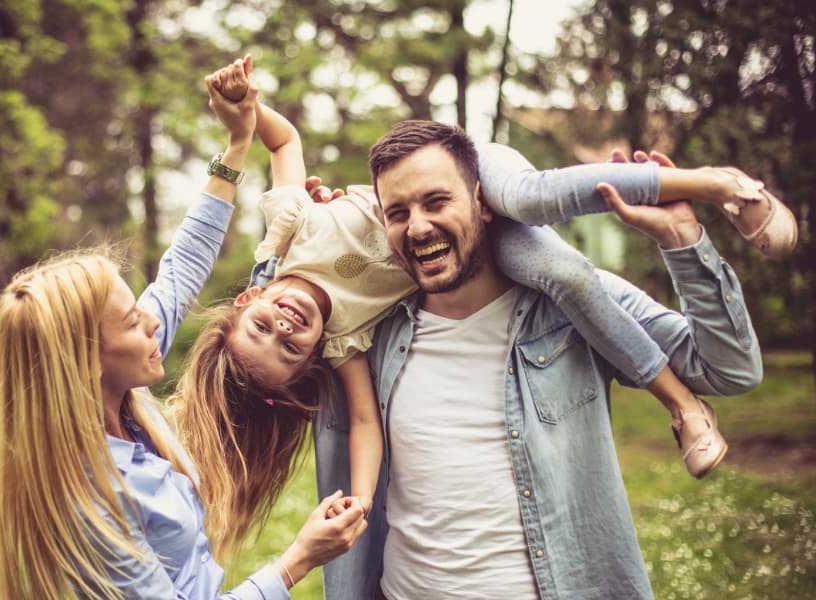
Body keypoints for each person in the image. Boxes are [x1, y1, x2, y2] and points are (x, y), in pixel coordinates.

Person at [178, 55, 792, 538]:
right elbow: (364, 420)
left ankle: (719, 184)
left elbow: (283, 147)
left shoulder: (289, 229)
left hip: (464, 163)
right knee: (565, 273)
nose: (285, 327)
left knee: (526, 198)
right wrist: (361, 499)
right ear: (311, 359)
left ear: (245, 303)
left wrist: (247, 113)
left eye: (263, 328)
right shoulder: (350, 340)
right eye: (288, 349)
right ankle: (681, 401)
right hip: (476, 232)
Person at [309, 121, 770, 599]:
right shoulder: (374, 335)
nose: (418, 226)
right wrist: (302, 243)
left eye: (437, 201)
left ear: (482, 202)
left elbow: (730, 369)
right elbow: (267, 351)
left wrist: (681, 239)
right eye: (398, 212)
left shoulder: (578, 308)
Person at [0, 71, 366, 600]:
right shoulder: (89, 502)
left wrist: (236, 143)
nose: (153, 322)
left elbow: (183, 264)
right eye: (131, 321)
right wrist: (298, 559)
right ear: (85, 362)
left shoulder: (121, 388)